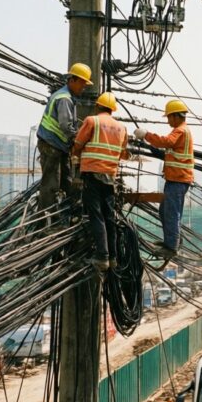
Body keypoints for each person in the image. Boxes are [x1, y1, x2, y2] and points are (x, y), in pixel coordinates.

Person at [71, 92, 129, 271]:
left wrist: (75, 155)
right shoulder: (121, 128)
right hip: (110, 177)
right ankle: (112, 257)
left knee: (96, 216)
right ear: (112, 110)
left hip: (92, 174)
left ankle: (102, 257)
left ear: (97, 106)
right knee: (108, 217)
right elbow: (124, 153)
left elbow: (78, 144)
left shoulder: (92, 121)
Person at [132, 99, 193, 259]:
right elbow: (167, 153)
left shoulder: (180, 131)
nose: (168, 120)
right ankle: (170, 242)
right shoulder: (181, 132)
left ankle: (171, 247)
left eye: (168, 117)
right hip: (175, 179)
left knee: (171, 213)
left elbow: (166, 142)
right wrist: (149, 145)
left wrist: (147, 135)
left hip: (178, 180)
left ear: (175, 116)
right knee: (165, 211)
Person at [36, 63, 91, 210]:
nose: (84, 87)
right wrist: (79, 141)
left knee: (66, 181)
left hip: (57, 146)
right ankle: (46, 220)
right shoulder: (64, 99)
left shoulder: (68, 98)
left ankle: (66, 212)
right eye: (82, 83)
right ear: (72, 80)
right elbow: (66, 126)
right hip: (51, 145)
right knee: (51, 183)